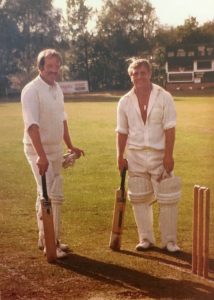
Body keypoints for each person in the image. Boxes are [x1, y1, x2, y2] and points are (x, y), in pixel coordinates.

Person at [21, 49, 84, 258]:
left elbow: (62, 120)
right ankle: (52, 242)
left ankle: (45, 238)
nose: (54, 71)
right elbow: (31, 126)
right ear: (40, 68)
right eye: (50, 67)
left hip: (55, 149)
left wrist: (70, 146)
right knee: (52, 196)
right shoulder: (31, 90)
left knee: (47, 193)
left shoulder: (57, 89)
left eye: (57, 67)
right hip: (37, 150)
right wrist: (41, 155)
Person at [116, 58, 181, 252]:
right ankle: (145, 238)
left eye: (143, 73)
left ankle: (170, 241)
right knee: (139, 198)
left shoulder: (164, 96)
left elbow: (170, 128)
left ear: (150, 74)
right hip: (135, 156)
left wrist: (168, 156)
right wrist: (120, 156)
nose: (139, 77)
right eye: (135, 74)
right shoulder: (125, 101)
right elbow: (121, 131)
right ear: (131, 77)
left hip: (158, 155)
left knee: (167, 198)